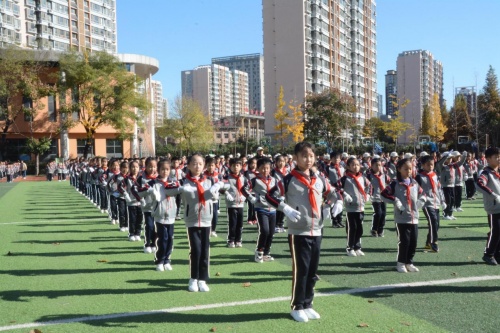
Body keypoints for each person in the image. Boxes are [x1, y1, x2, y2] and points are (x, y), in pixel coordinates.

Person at [265, 142, 341, 322]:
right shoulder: (289, 179)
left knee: (313, 270)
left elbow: (332, 193)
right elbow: (269, 196)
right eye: (304, 156)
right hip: (298, 231)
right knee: (302, 270)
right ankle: (297, 305)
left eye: (311, 156)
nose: (308, 159)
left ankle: (308, 303)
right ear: (296, 158)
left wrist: (331, 204)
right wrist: (285, 208)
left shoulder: (320, 178)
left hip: (317, 229)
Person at [182, 153, 223, 292]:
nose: (197, 166)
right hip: (192, 220)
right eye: (194, 163)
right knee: (196, 250)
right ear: (188, 165)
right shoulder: (184, 182)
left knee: (205, 251)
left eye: (200, 163)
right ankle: (193, 278)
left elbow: (216, 195)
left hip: (206, 219)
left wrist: (216, 190)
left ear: (204, 165)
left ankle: (202, 279)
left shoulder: (209, 181)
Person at [381, 158, 426, 273]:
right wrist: (395, 200)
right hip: (401, 219)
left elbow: (423, 193)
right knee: (404, 241)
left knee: (413, 242)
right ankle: (400, 263)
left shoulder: (414, 183)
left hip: (414, 218)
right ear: (399, 169)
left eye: (410, 169)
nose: (409, 171)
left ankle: (409, 262)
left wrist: (422, 200)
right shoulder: (395, 183)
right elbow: (384, 194)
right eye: (406, 169)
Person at [339, 157, 371, 256]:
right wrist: (345, 195)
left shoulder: (363, 177)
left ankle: (357, 247)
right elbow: (337, 188)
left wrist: (368, 195)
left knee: (359, 229)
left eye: (357, 164)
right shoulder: (345, 178)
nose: (356, 167)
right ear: (348, 166)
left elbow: (370, 187)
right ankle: (350, 248)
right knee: (352, 228)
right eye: (353, 165)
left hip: (361, 207)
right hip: (351, 208)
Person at [415, 155, 446, 252]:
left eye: (432, 165)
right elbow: (415, 190)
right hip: (426, 203)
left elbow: (439, 189)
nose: (430, 167)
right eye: (428, 165)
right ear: (423, 165)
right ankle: (434, 242)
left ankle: (428, 243)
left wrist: (443, 201)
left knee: (436, 224)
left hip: (436, 202)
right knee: (432, 221)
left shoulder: (435, 175)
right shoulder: (419, 177)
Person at [475, 147, 500, 265]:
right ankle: (488, 254)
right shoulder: (486, 173)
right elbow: (479, 184)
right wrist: (494, 195)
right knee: (496, 231)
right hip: (494, 208)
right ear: (488, 159)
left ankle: (497, 254)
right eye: (496, 157)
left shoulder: (498, 172)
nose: (499, 159)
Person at [251, 157, 277, 262]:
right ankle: (259, 252)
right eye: (262, 168)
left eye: (267, 168)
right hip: (261, 208)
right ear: (258, 168)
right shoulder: (255, 180)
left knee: (271, 232)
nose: (265, 170)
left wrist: (280, 198)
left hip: (273, 209)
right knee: (264, 231)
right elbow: (244, 189)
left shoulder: (274, 179)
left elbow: (277, 191)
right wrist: (251, 197)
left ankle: (266, 253)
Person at [223, 157, 250, 248]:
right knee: (232, 223)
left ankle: (238, 240)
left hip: (241, 203)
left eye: (238, 165)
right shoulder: (227, 177)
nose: (236, 167)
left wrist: (244, 195)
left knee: (240, 223)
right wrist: (226, 193)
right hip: (232, 204)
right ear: (230, 166)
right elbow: (221, 187)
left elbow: (248, 187)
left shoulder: (243, 178)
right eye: (233, 166)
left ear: (241, 166)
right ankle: (231, 240)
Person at [366, 158, 390, 237]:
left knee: (383, 214)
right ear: (372, 166)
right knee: (378, 213)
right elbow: (366, 185)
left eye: (380, 165)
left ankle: (380, 229)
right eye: (376, 165)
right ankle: (374, 229)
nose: (378, 167)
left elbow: (389, 182)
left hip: (383, 197)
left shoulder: (384, 175)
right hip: (375, 197)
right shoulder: (369, 176)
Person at [122, 160, 144, 242]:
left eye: (137, 167)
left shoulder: (141, 178)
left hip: (141, 202)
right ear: (130, 168)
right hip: (131, 202)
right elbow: (121, 187)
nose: (135, 169)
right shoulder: (127, 178)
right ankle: (131, 233)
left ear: (139, 168)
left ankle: (137, 233)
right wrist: (126, 195)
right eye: (133, 167)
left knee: (140, 218)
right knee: (132, 219)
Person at [204, 157, 222, 237]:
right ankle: (207, 229)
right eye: (208, 165)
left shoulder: (218, 175)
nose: (210, 167)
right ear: (206, 166)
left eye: (212, 165)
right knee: (206, 215)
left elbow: (222, 186)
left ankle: (213, 230)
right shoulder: (203, 175)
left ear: (215, 166)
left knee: (214, 216)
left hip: (215, 199)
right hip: (206, 199)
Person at [327, 152, 345, 228]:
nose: (337, 159)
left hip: (341, 188)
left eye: (338, 158)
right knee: (334, 205)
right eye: (335, 158)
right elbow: (326, 178)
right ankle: (334, 221)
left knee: (340, 204)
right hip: (333, 188)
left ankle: (340, 220)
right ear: (331, 159)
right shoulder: (328, 168)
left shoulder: (342, 167)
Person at [271, 154, 288, 233]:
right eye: (279, 161)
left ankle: (281, 224)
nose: (281, 163)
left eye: (283, 161)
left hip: (285, 193)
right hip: (276, 193)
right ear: (276, 162)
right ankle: (275, 225)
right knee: (277, 209)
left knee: (284, 209)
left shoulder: (287, 171)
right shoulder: (273, 171)